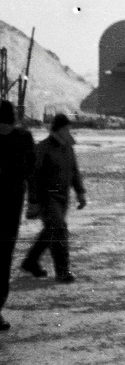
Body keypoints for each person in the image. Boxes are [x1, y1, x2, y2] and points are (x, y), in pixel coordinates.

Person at [22, 114, 87, 284]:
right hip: (47, 196)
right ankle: (62, 271)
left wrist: (80, 192)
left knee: (51, 230)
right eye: (66, 129)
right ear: (58, 130)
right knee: (59, 229)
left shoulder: (68, 148)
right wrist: (33, 201)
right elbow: (33, 176)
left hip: (62, 197)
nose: (69, 132)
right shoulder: (42, 148)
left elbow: (74, 171)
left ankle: (30, 262)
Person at [0, 101, 36, 331]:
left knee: (3, 258)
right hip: (11, 208)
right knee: (3, 258)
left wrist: (33, 200)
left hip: (10, 208)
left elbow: (31, 171)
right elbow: (31, 171)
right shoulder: (24, 138)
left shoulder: (23, 138)